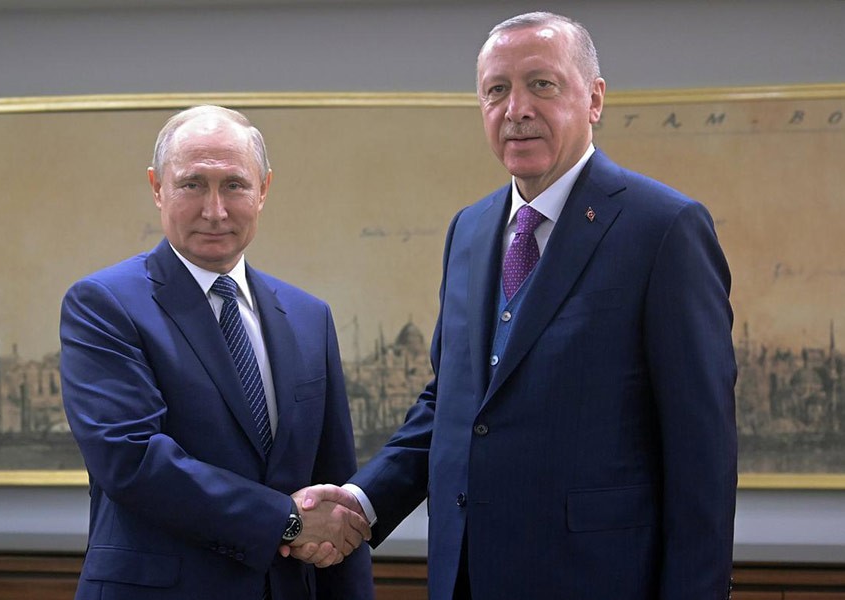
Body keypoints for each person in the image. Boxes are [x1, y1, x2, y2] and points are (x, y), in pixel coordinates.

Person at [296, 11, 738, 600]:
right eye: (496, 90)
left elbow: (702, 450)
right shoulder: (471, 230)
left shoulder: (663, 229)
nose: (517, 109)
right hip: (464, 579)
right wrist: (362, 500)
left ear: (595, 98)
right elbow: (453, 403)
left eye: (542, 84)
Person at [60, 105, 374, 600]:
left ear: (264, 189)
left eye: (234, 185)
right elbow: (132, 460)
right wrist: (287, 521)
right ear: (157, 187)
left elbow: (333, 491)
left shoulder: (310, 316)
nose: (215, 210)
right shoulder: (104, 303)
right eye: (192, 184)